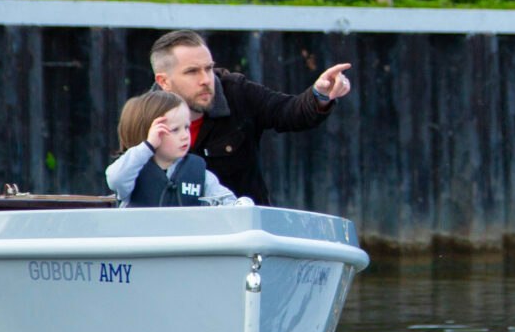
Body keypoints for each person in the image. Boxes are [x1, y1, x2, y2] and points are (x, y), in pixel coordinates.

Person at [148, 29, 351, 206]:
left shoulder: (236, 92)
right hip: (176, 232)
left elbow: (290, 112)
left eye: (208, 68)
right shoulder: (143, 116)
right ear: (164, 81)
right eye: (192, 72)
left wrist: (321, 94)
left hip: (244, 230)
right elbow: (126, 179)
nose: (205, 80)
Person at [105, 89, 243, 207]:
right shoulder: (131, 171)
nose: (185, 136)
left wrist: (241, 205)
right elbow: (115, 179)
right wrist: (148, 146)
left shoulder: (199, 173)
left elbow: (226, 202)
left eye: (187, 127)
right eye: (175, 130)